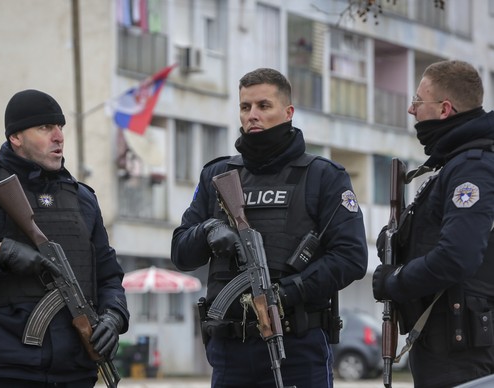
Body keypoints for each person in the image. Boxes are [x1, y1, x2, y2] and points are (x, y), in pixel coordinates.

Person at [171, 68, 368, 388]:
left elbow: (351, 257)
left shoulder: (323, 176)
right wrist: (208, 230)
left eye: (264, 106)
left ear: (288, 112)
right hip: (230, 349)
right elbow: (180, 252)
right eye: (245, 107)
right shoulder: (218, 174)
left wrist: (285, 293)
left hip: (296, 346)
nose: (253, 115)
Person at [0, 89, 130, 388]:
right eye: (45, 128)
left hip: (76, 374)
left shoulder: (82, 199)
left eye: (60, 127)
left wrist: (113, 317)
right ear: (16, 138)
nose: (58, 136)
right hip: (4, 373)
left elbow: (109, 277)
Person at [373, 60, 494, 388]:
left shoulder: (472, 168)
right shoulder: (454, 165)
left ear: (444, 109)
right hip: (448, 348)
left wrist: (394, 281)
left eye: (417, 101)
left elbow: (458, 256)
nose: (411, 111)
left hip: (462, 355)